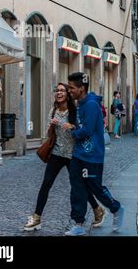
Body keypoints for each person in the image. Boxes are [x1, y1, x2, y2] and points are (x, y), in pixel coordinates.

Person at [23, 83, 104, 231]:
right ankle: (36, 217)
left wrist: (72, 126)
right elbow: (50, 135)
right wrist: (51, 128)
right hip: (57, 153)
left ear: (68, 93)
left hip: (74, 155)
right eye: (57, 90)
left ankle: (97, 209)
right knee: (46, 184)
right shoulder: (53, 111)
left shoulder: (76, 111)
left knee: (81, 186)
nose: (59, 93)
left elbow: (84, 130)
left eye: (62, 90)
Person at [64, 72, 124, 236]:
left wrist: (72, 131)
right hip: (78, 154)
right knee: (77, 189)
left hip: (92, 156)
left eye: (71, 88)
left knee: (95, 188)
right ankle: (79, 224)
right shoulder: (80, 104)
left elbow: (87, 130)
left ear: (81, 89)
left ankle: (116, 208)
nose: (69, 91)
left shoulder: (91, 105)